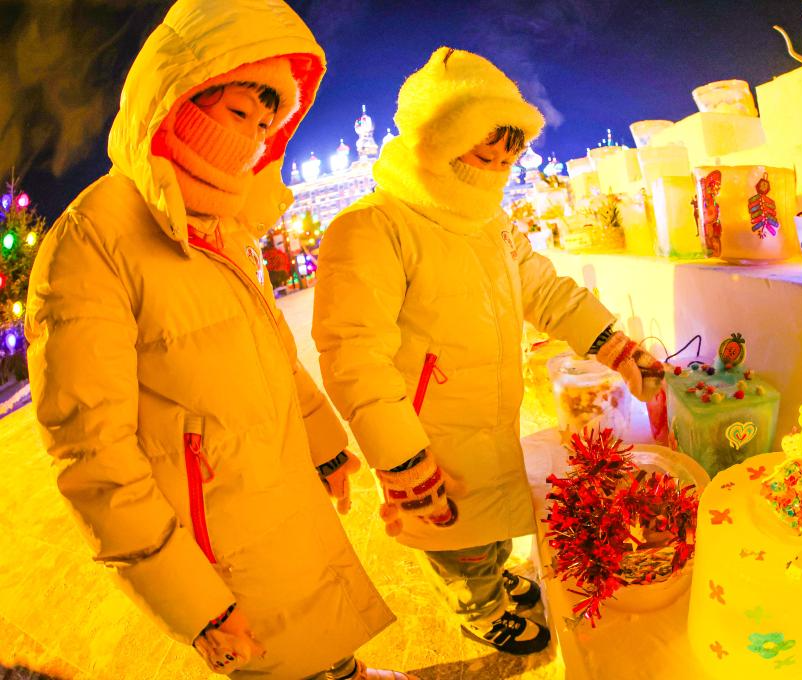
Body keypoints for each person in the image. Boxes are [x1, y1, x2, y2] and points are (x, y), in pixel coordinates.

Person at [25, 1, 414, 678]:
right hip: (209, 534)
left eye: (266, 125)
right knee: (269, 651)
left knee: (310, 616)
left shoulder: (222, 222)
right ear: (178, 97)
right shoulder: (95, 238)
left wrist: (322, 443)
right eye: (239, 113)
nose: (254, 140)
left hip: (272, 483)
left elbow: (271, 350)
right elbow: (92, 453)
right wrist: (193, 602)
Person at [312, 46, 663, 656]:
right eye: (484, 156)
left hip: (488, 412)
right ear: (440, 143)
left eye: (508, 159)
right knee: (456, 537)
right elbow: (353, 354)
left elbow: (543, 289)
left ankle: (493, 579)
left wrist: (611, 343)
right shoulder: (374, 227)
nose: (497, 172)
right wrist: (402, 460)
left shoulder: (489, 221)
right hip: (426, 433)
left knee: (492, 520)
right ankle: (477, 609)